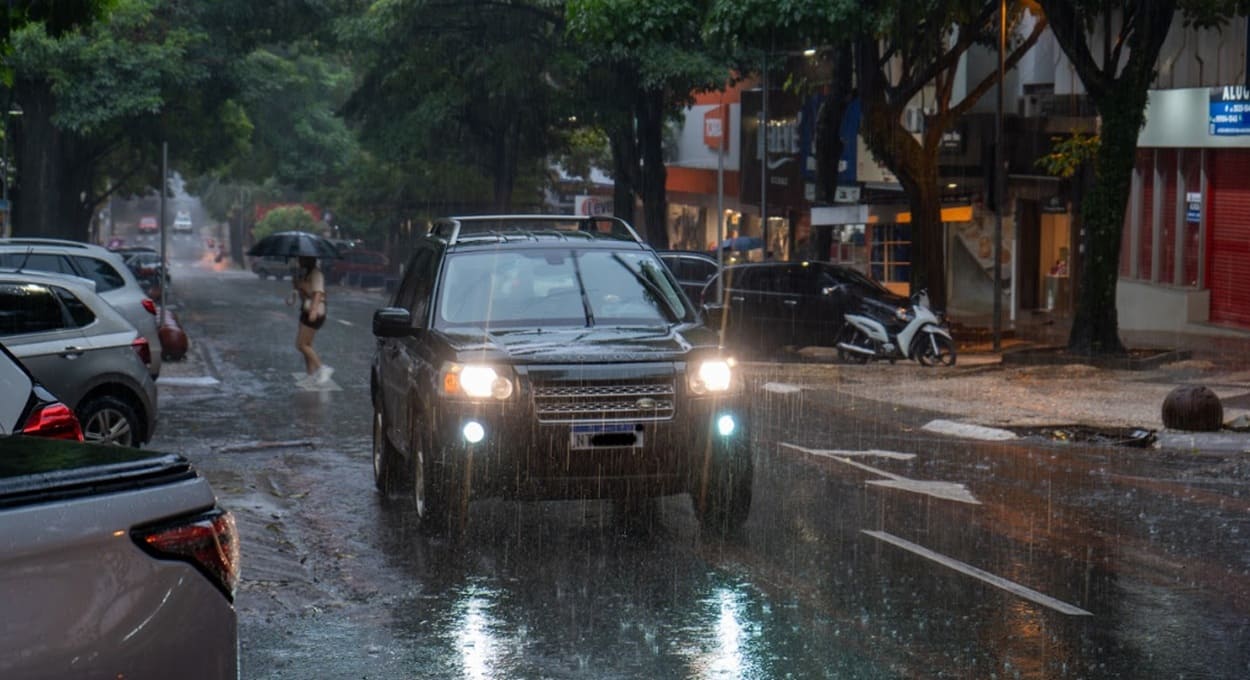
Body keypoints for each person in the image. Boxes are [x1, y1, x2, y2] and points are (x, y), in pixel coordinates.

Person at [291, 256, 332, 386]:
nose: (299, 261)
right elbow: (305, 293)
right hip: (306, 310)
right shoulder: (305, 274)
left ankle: (322, 369)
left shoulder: (316, 273)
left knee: (301, 345)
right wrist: (297, 285)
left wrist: (314, 310)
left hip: (315, 311)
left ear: (309, 260)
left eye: (302, 258)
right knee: (307, 345)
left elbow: (318, 293)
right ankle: (310, 375)